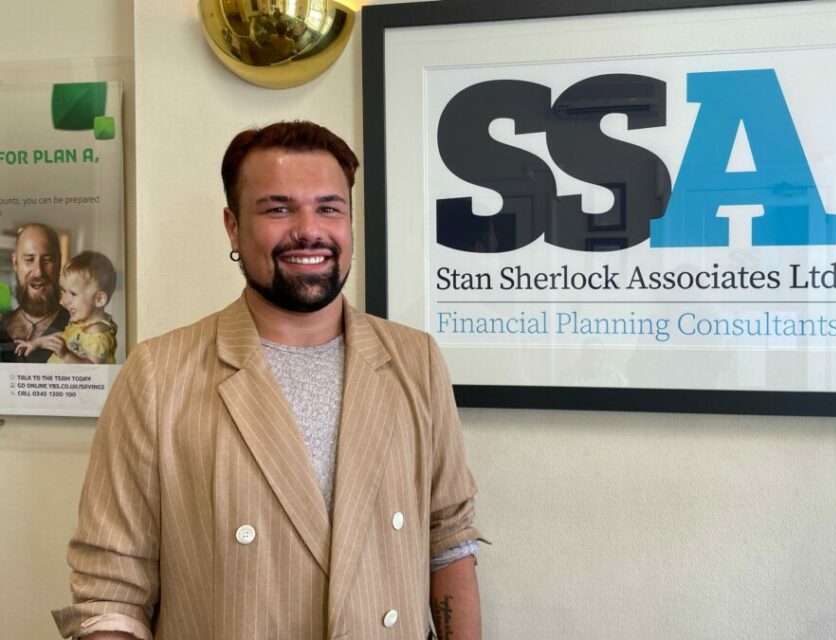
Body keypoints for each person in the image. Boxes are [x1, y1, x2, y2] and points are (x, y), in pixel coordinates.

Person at [52, 121, 484, 640]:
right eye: (278, 209)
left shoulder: (415, 360)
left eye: (329, 208)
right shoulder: (158, 375)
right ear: (233, 228)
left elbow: (448, 539)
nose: (309, 230)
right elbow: (111, 591)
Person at [15, 250, 118, 364]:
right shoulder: (81, 325)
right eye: (64, 292)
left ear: (99, 299)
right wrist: (36, 343)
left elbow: (93, 370)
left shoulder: (96, 331)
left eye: (73, 294)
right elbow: (61, 339)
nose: (64, 301)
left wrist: (66, 355)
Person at [0, 222, 70, 362]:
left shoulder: (79, 329)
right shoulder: (2, 324)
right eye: (29, 259)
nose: (38, 271)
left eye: (47, 260)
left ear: (59, 263)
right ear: (15, 263)